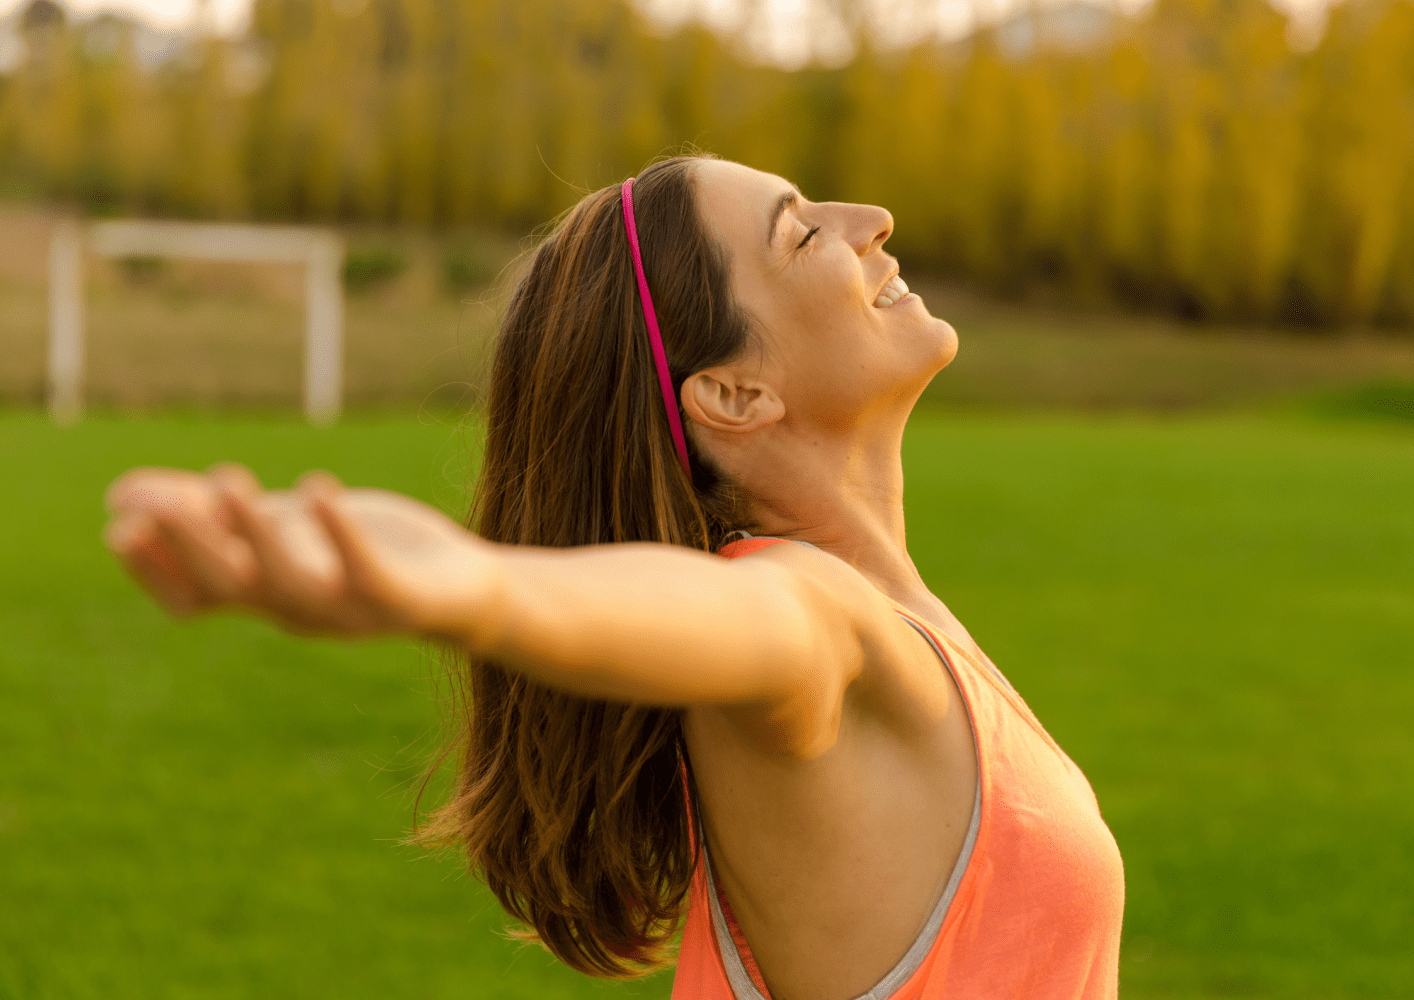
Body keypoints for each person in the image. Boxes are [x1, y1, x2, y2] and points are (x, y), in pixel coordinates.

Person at [102, 153, 1125, 1000]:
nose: (872, 218)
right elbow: (727, 613)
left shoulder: (896, 618)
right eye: (804, 233)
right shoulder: (813, 614)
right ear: (733, 391)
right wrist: (467, 585)